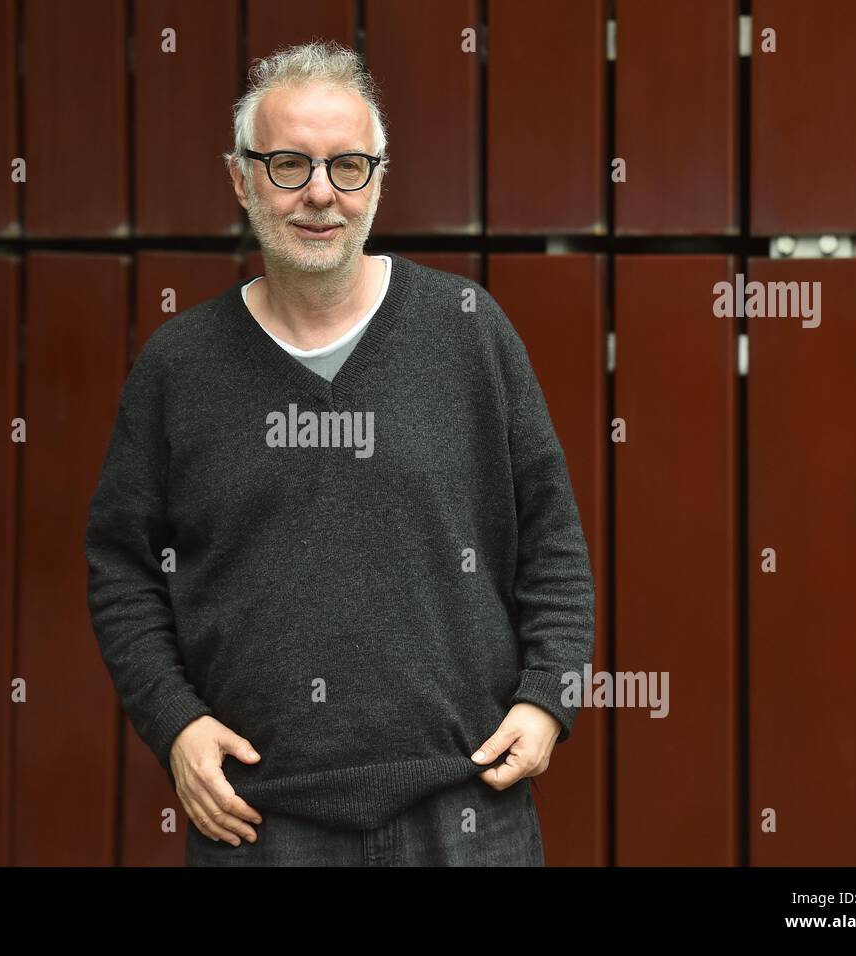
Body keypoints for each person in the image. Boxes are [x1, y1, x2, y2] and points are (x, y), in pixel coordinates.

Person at [84, 40, 595, 867]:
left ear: (379, 178)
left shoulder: (467, 331)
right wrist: (173, 722)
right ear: (240, 178)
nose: (322, 193)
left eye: (349, 165)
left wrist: (548, 698)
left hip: (467, 812)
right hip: (258, 823)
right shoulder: (179, 367)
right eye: (289, 164)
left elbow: (554, 542)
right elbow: (121, 567)